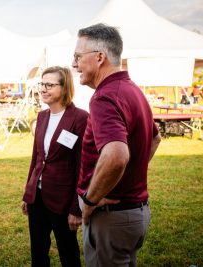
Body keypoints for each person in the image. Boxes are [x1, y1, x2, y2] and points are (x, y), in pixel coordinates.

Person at [72, 23, 161, 267]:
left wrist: (89, 201)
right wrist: (125, 178)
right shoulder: (132, 90)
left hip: (111, 218)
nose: (74, 64)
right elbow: (155, 137)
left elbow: (116, 156)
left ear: (99, 57)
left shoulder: (105, 96)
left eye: (78, 56)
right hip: (133, 214)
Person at [21, 66, 88, 267]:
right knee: (38, 252)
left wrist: (77, 208)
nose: (43, 88)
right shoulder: (42, 117)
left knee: (68, 252)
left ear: (64, 87)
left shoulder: (80, 118)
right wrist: (28, 193)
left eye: (49, 85)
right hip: (37, 198)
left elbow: (82, 166)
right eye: (42, 84)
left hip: (63, 199)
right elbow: (36, 158)